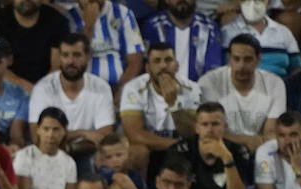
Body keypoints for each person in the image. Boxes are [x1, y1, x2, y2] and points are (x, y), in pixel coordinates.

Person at [27, 33, 115, 157]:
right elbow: (38, 137)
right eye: (65, 55)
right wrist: (82, 133)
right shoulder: (43, 89)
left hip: (89, 155)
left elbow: (104, 137)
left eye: (77, 55)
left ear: (87, 57)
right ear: (59, 58)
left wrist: (69, 145)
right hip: (52, 156)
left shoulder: (101, 87)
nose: (70, 61)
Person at [119, 42, 200, 172]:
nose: (163, 66)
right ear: (147, 67)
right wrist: (174, 145)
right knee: (137, 151)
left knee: (197, 149)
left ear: (176, 65)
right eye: (157, 61)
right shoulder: (133, 88)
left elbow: (192, 132)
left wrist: (173, 105)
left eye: (168, 60)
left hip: (182, 150)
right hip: (152, 146)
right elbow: (133, 134)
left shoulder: (192, 88)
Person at [197, 35, 284, 154]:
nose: (241, 66)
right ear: (229, 59)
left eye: (247, 59)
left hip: (260, 150)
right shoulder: (209, 82)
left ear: (258, 60)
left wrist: (256, 144)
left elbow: (271, 132)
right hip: (220, 149)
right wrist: (246, 140)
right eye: (236, 59)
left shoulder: (274, 83)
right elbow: (209, 131)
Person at [16, 107, 77, 189]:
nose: (50, 135)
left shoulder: (69, 163)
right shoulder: (25, 156)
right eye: (46, 129)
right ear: (38, 130)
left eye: (56, 129)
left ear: (64, 132)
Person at [0, 0, 66, 90]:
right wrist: (28, 89)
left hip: (48, 89)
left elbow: (56, 67)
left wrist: (40, 92)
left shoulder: (58, 21)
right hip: (6, 88)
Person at [63, 0, 144, 88]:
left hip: (118, 88)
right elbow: (72, 61)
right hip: (83, 90)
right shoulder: (68, 18)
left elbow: (135, 62)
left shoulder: (124, 13)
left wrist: (119, 94)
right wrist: (89, 26)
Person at [140, 0, 221, 84]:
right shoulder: (152, 26)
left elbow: (212, 69)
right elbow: (149, 68)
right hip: (161, 89)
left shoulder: (209, 27)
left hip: (200, 91)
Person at [221, 0, 298, 77]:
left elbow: (297, 67)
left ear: (269, 2)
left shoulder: (283, 32)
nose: (253, 3)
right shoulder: (226, 32)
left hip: (280, 85)